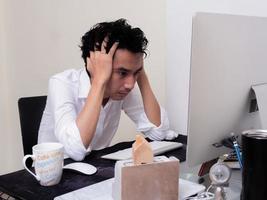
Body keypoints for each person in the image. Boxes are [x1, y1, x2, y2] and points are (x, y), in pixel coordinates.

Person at [38, 19, 178, 161]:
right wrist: (99, 81)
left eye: (135, 73)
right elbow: (75, 150)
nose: (130, 84)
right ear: (97, 64)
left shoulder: (123, 86)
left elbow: (159, 133)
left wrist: (141, 74)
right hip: (55, 172)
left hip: (96, 167)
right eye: (122, 73)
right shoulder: (61, 83)